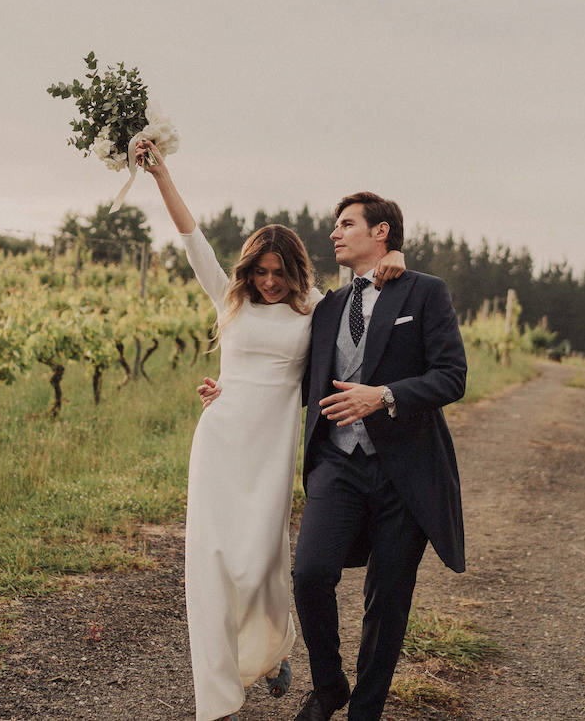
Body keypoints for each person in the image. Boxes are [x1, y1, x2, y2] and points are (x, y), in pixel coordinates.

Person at [135, 141, 404, 721]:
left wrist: (397, 262)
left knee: (261, 563)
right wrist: (162, 174)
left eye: (280, 272)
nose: (270, 281)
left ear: (296, 272)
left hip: (272, 448)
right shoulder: (226, 299)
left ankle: (272, 650)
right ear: (247, 270)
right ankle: (217, 695)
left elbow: (371, 296)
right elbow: (191, 237)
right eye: (260, 271)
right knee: (210, 564)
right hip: (221, 439)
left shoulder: (315, 307)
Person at [206, 192, 468, 721]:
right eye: (335, 225)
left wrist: (385, 396)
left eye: (346, 224)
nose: (334, 233)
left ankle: (365, 711)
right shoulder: (324, 309)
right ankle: (329, 685)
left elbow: (452, 376)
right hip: (338, 464)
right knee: (310, 574)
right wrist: (232, 392)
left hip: (406, 472)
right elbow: (295, 382)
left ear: (381, 234)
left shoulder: (425, 293)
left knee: (387, 597)